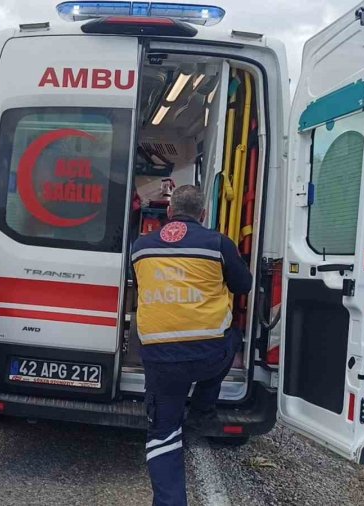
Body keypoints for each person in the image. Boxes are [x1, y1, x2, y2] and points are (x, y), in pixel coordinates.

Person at [131, 185, 252, 506]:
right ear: (203, 214)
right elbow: (244, 285)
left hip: (161, 359)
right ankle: (202, 410)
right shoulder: (218, 243)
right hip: (209, 354)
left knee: (164, 433)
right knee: (234, 338)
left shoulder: (140, 247)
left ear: (168, 213)